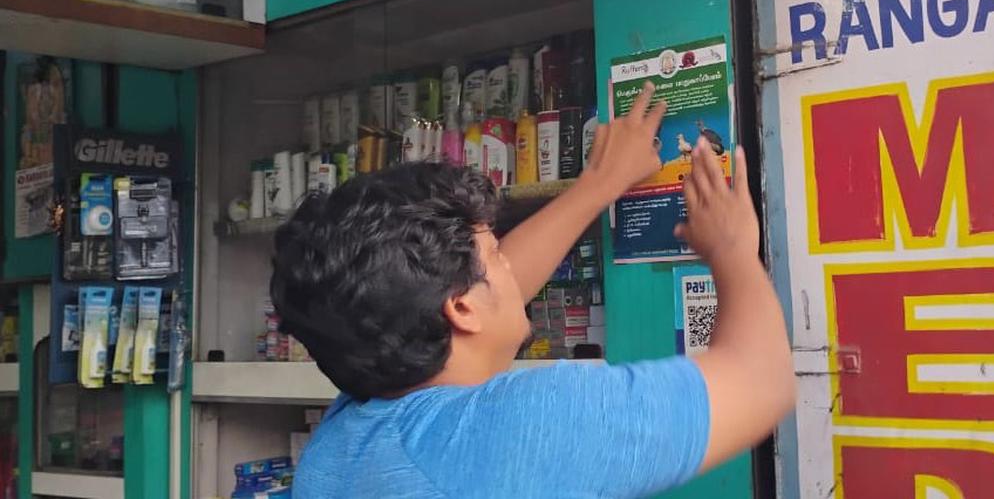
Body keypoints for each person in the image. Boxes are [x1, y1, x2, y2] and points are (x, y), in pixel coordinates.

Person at [271, 83, 794, 498]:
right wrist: (731, 251)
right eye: (495, 252)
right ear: (461, 307)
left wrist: (598, 184)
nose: (507, 265)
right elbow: (760, 382)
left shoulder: (347, 437)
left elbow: (490, 290)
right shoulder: (519, 428)